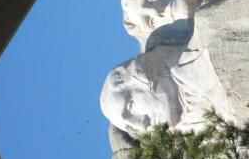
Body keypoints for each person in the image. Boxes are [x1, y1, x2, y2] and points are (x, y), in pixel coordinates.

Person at [100, 43, 235, 137]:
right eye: (133, 129)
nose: (142, 125)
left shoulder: (209, 46)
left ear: (133, 76)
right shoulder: (209, 145)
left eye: (131, 106)